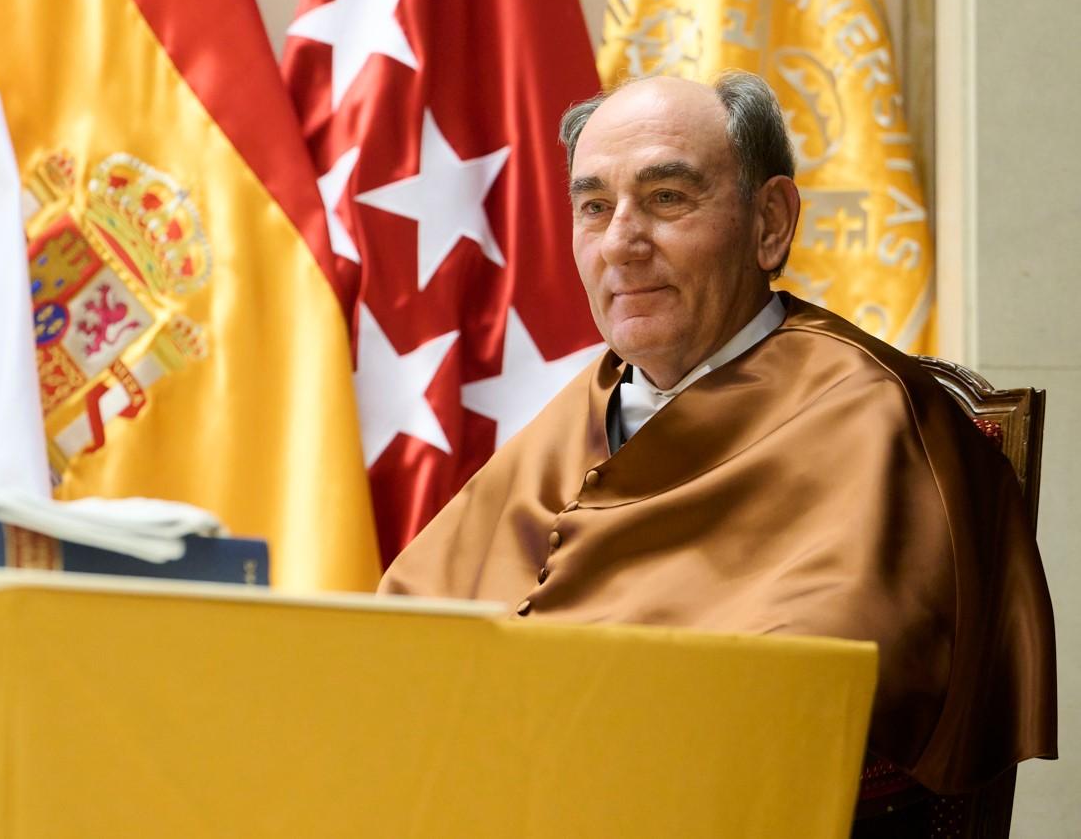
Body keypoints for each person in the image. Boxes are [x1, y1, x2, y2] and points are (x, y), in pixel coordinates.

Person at [379, 72, 1056, 802]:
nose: (621, 243)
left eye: (667, 198)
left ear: (769, 222)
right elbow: (397, 639)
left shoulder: (872, 413)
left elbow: (809, 695)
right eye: (595, 207)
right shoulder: (590, 402)